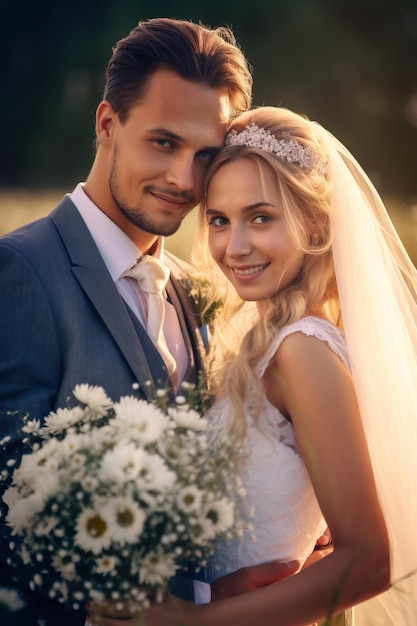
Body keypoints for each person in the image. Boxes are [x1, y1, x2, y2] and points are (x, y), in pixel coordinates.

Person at [0, 16, 258, 626]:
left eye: (206, 155)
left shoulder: (199, 291)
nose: (183, 179)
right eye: (164, 143)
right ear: (108, 123)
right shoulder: (20, 269)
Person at [141, 106, 417, 626]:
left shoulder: (303, 351)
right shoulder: (262, 340)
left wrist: (192, 621)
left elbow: (370, 560)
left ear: (314, 222)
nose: (235, 246)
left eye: (261, 217)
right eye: (220, 221)